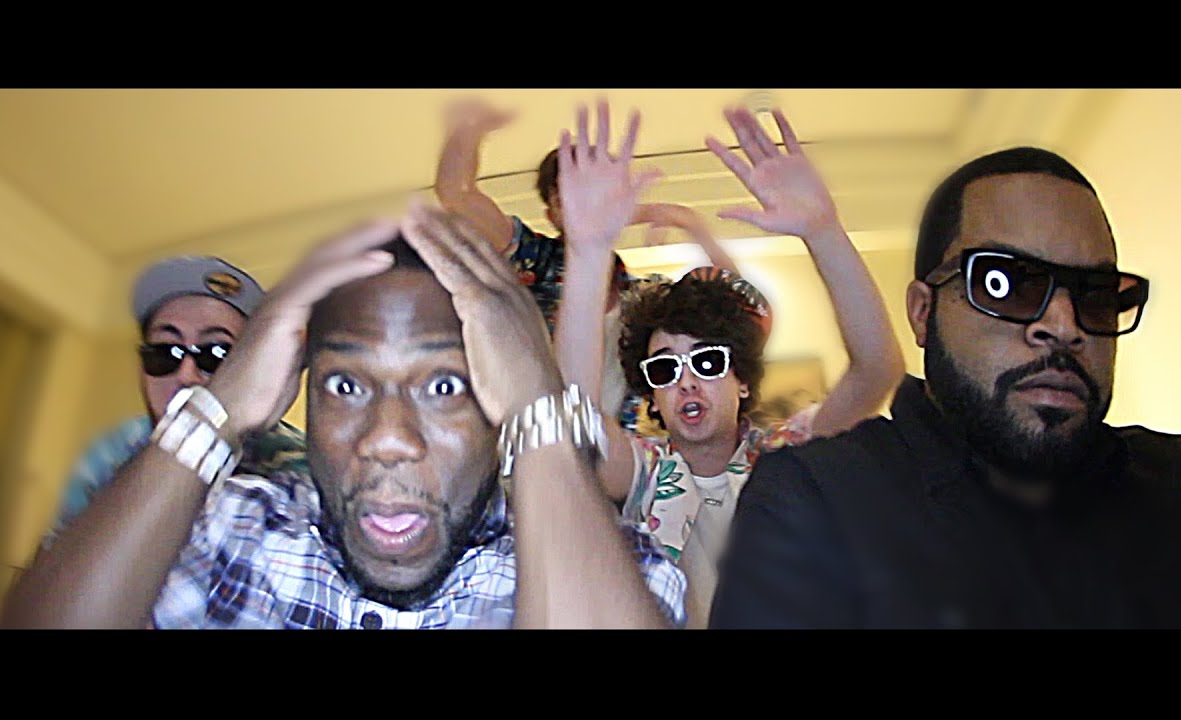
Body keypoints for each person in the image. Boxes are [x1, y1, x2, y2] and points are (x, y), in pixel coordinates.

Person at [3, 204, 685, 629]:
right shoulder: (225, 529)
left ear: (502, 399)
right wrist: (215, 413)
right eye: (347, 385)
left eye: (445, 385)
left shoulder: (619, 568)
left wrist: (540, 411)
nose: (386, 438)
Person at [709, 146, 1181, 628]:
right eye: (1004, 283)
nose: (1064, 325)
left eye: (1096, 294)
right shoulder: (820, 500)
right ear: (924, 312)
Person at [554, 101, 904, 628]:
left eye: (708, 361)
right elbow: (573, 425)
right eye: (665, 370)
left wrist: (824, 230)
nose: (687, 381)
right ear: (653, 398)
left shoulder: (787, 455)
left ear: (742, 382)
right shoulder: (646, 471)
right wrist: (587, 252)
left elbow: (876, 370)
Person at [435, 98, 735, 431]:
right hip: (536, 442)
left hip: (617, 449)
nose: (589, 203)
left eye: (602, 191)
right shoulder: (535, 261)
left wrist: (687, 220)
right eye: (568, 196)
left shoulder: (643, 300)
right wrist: (469, 127)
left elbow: (738, 303)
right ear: (553, 215)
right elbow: (455, 193)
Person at [42, 256, 305, 552]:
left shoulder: (296, 464)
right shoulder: (112, 454)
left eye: (216, 354)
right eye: (165, 352)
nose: (186, 375)